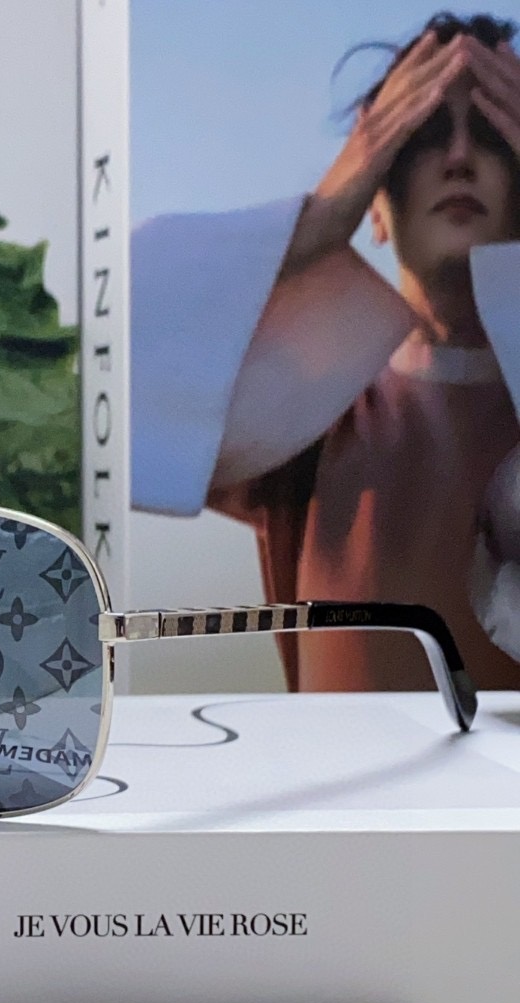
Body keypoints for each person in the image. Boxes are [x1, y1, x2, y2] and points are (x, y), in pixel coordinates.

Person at [132, 12, 520, 693]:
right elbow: (94, 383)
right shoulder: (313, 410)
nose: (459, 156)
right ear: (377, 203)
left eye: (492, 133)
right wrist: (316, 220)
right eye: (422, 134)